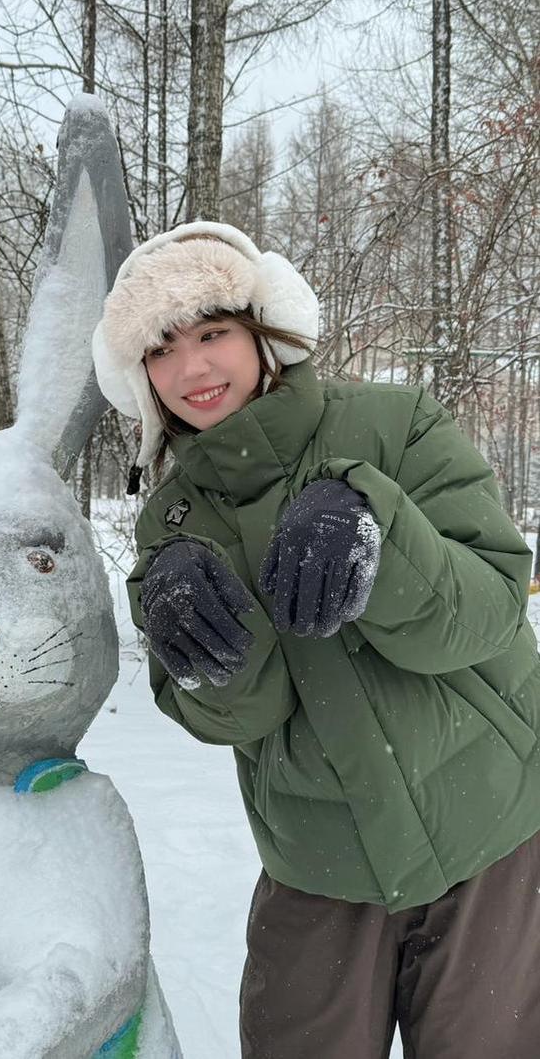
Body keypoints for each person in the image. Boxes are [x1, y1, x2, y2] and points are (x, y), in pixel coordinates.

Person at [91, 221, 540, 1059]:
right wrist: (205, 653)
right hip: (316, 861)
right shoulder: (172, 527)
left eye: (213, 332)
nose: (192, 368)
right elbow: (234, 718)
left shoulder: (393, 424)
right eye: (161, 349)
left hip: (490, 828)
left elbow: (486, 606)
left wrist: (378, 528)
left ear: (264, 331)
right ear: (140, 376)